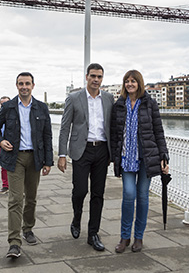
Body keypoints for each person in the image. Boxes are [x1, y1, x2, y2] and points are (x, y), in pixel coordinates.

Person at [0, 72, 53, 259]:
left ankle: (28, 228)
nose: (24, 86)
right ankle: (14, 242)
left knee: (31, 198)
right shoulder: (8, 107)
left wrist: (48, 161)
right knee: (15, 199)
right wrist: (0, 141)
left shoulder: (41, 108)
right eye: (20, 83)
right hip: (14, 158)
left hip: (35, 158)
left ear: (33, 85)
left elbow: (47, 136)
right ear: (16, 86)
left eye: (27, 83)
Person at [110, 69, 170, 253]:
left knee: (143, 197)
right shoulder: (119, 105)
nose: (130, 84)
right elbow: (114, 134)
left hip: (146, 157)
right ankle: (124, 237)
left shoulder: (149, 104)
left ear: (139, 83)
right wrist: (114, 157)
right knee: (129, 195)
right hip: (127, 158)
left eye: (133, 81)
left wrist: (164, 156)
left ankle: (139, 237)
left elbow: (158, 131)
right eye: (127, 81)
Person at [58, 63, 114, 251]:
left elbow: (112, 126)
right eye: (93, 76)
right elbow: (65, 127)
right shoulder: (74, 98)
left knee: (98, 194)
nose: (96, 80)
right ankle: (76, 218)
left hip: (102, 151)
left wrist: (114, 152)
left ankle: (93, 233)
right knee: (80, 191)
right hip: (81, 151)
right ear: (86, 77)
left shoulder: (108, 98)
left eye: (99, 77)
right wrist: (62, 154)